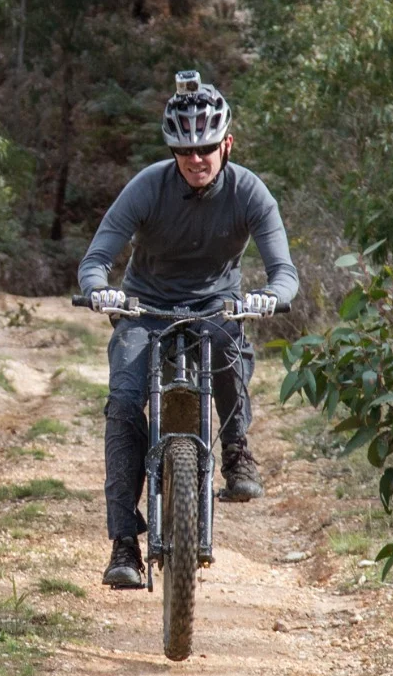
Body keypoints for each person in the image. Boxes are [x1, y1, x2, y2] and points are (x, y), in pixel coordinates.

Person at [78, 71, 300, 588]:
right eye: (185, 151)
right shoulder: (146, 188)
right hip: (145, 307)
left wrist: (272, 295)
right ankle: (123, 544)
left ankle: (237, 453)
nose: (196, 160)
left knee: (228, 347)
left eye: (206, 148)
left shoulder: (249, 192)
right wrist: (99, 288)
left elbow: (284, 270)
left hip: (216, 306)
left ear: (227, 144)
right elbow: (97, 256)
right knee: (124, 402)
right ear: (172, 152)